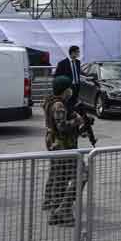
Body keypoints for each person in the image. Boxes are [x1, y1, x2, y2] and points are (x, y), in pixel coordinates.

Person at [42, 76, 89, 226]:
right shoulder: (59, 105)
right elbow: (62, 127)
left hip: (58, 144)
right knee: (82, 174)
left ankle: (56, 211)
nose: (71, 90)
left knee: (59, 178)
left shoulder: (53, 101)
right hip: (63, 146)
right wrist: (77, 121)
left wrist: (79, 129)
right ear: (64, 90)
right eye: (69, 88)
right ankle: (64, 209)